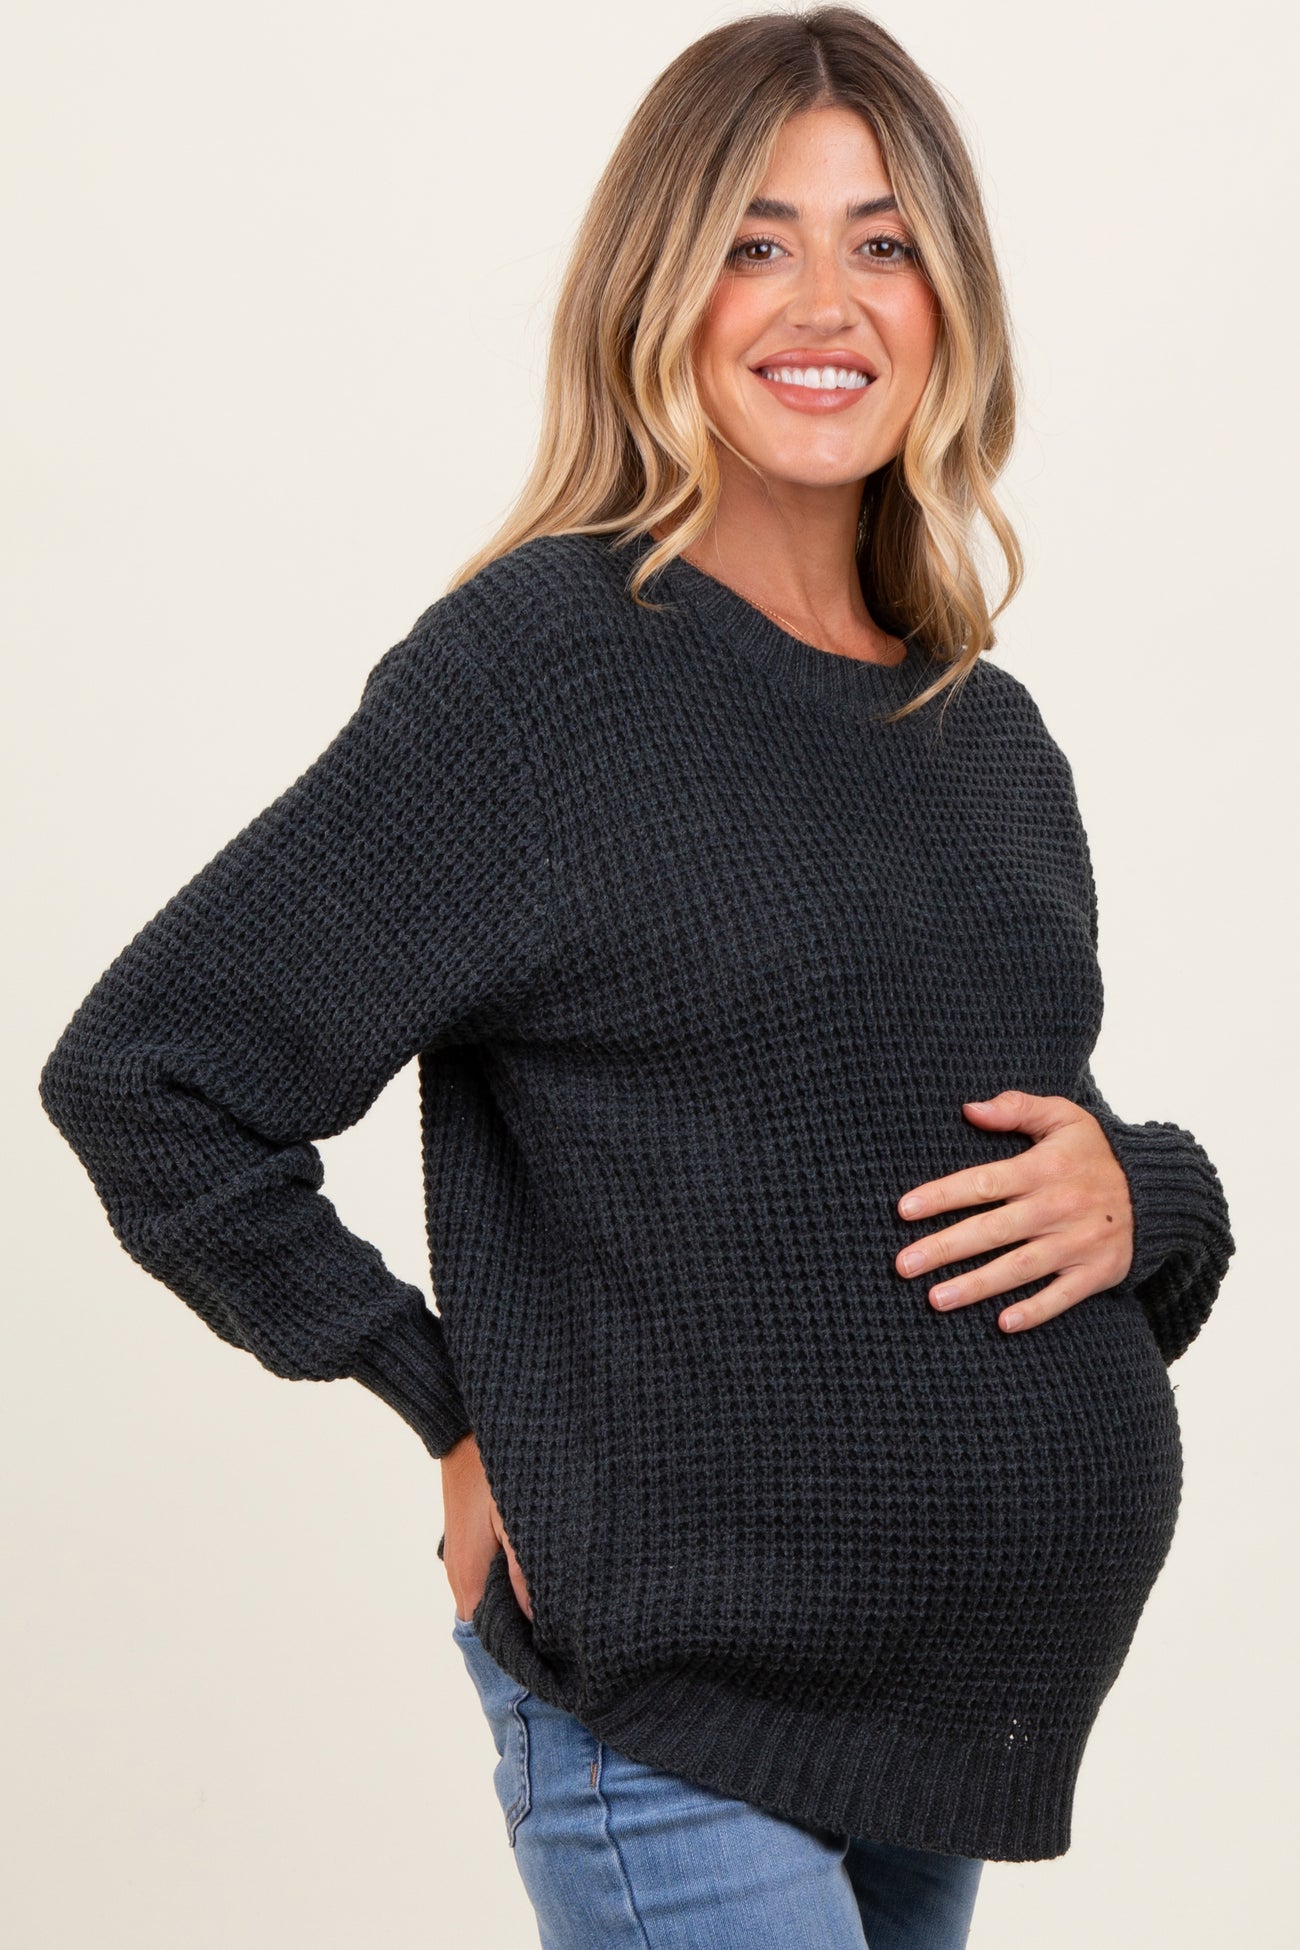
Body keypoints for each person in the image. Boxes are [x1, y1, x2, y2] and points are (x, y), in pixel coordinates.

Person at [37, 9, 1236, 1947]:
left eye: (881, 241)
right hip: (670, 1712)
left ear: (949, 301)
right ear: (657, 291)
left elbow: (994, 1145)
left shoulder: (986, 738)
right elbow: (153, 1073)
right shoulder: (542, 677)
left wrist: (1146, 1192)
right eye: (755, 241)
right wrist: (439, 1398)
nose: (823, 301)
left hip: (938, 1726)